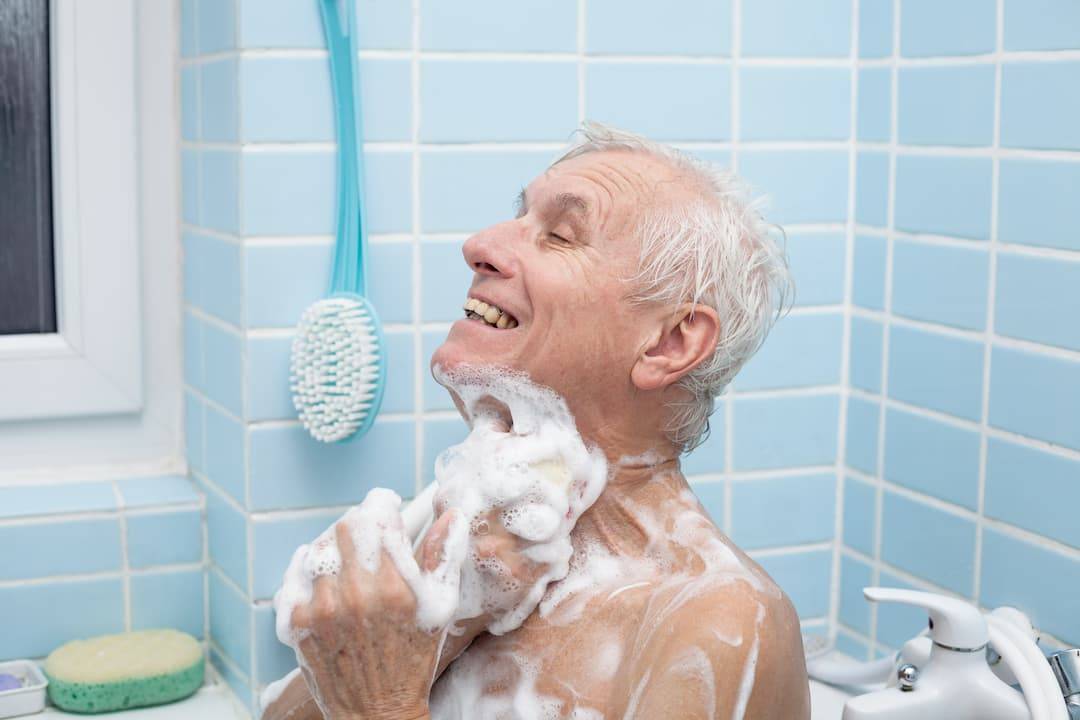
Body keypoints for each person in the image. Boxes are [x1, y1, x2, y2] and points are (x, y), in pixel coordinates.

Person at [262, 122, 810, 719]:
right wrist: (455, 619)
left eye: (561, 236)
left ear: (671, 342)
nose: (480, 244)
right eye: (521, 218)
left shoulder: (719, 626)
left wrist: (383, 706)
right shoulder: (482, 546)